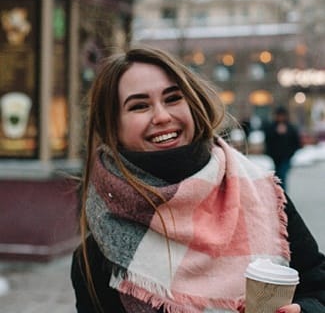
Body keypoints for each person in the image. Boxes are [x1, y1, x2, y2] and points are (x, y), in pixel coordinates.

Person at [71, 48, 325, 313]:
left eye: (172, 99)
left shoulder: (266, 198)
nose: (162, 116)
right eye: (139, 106)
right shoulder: (97, 254)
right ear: (112, 127)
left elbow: (318, 287)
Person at [264, 106, 301, 191]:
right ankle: (279, 194)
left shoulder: (290, 127)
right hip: (275, 157)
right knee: (277, 176)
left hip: (286, 157)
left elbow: (296, 142)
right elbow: (268, 140)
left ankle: (283, 195)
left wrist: (290, 153)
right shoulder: (271, 127)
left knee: (282, 175)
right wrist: (276, 132)